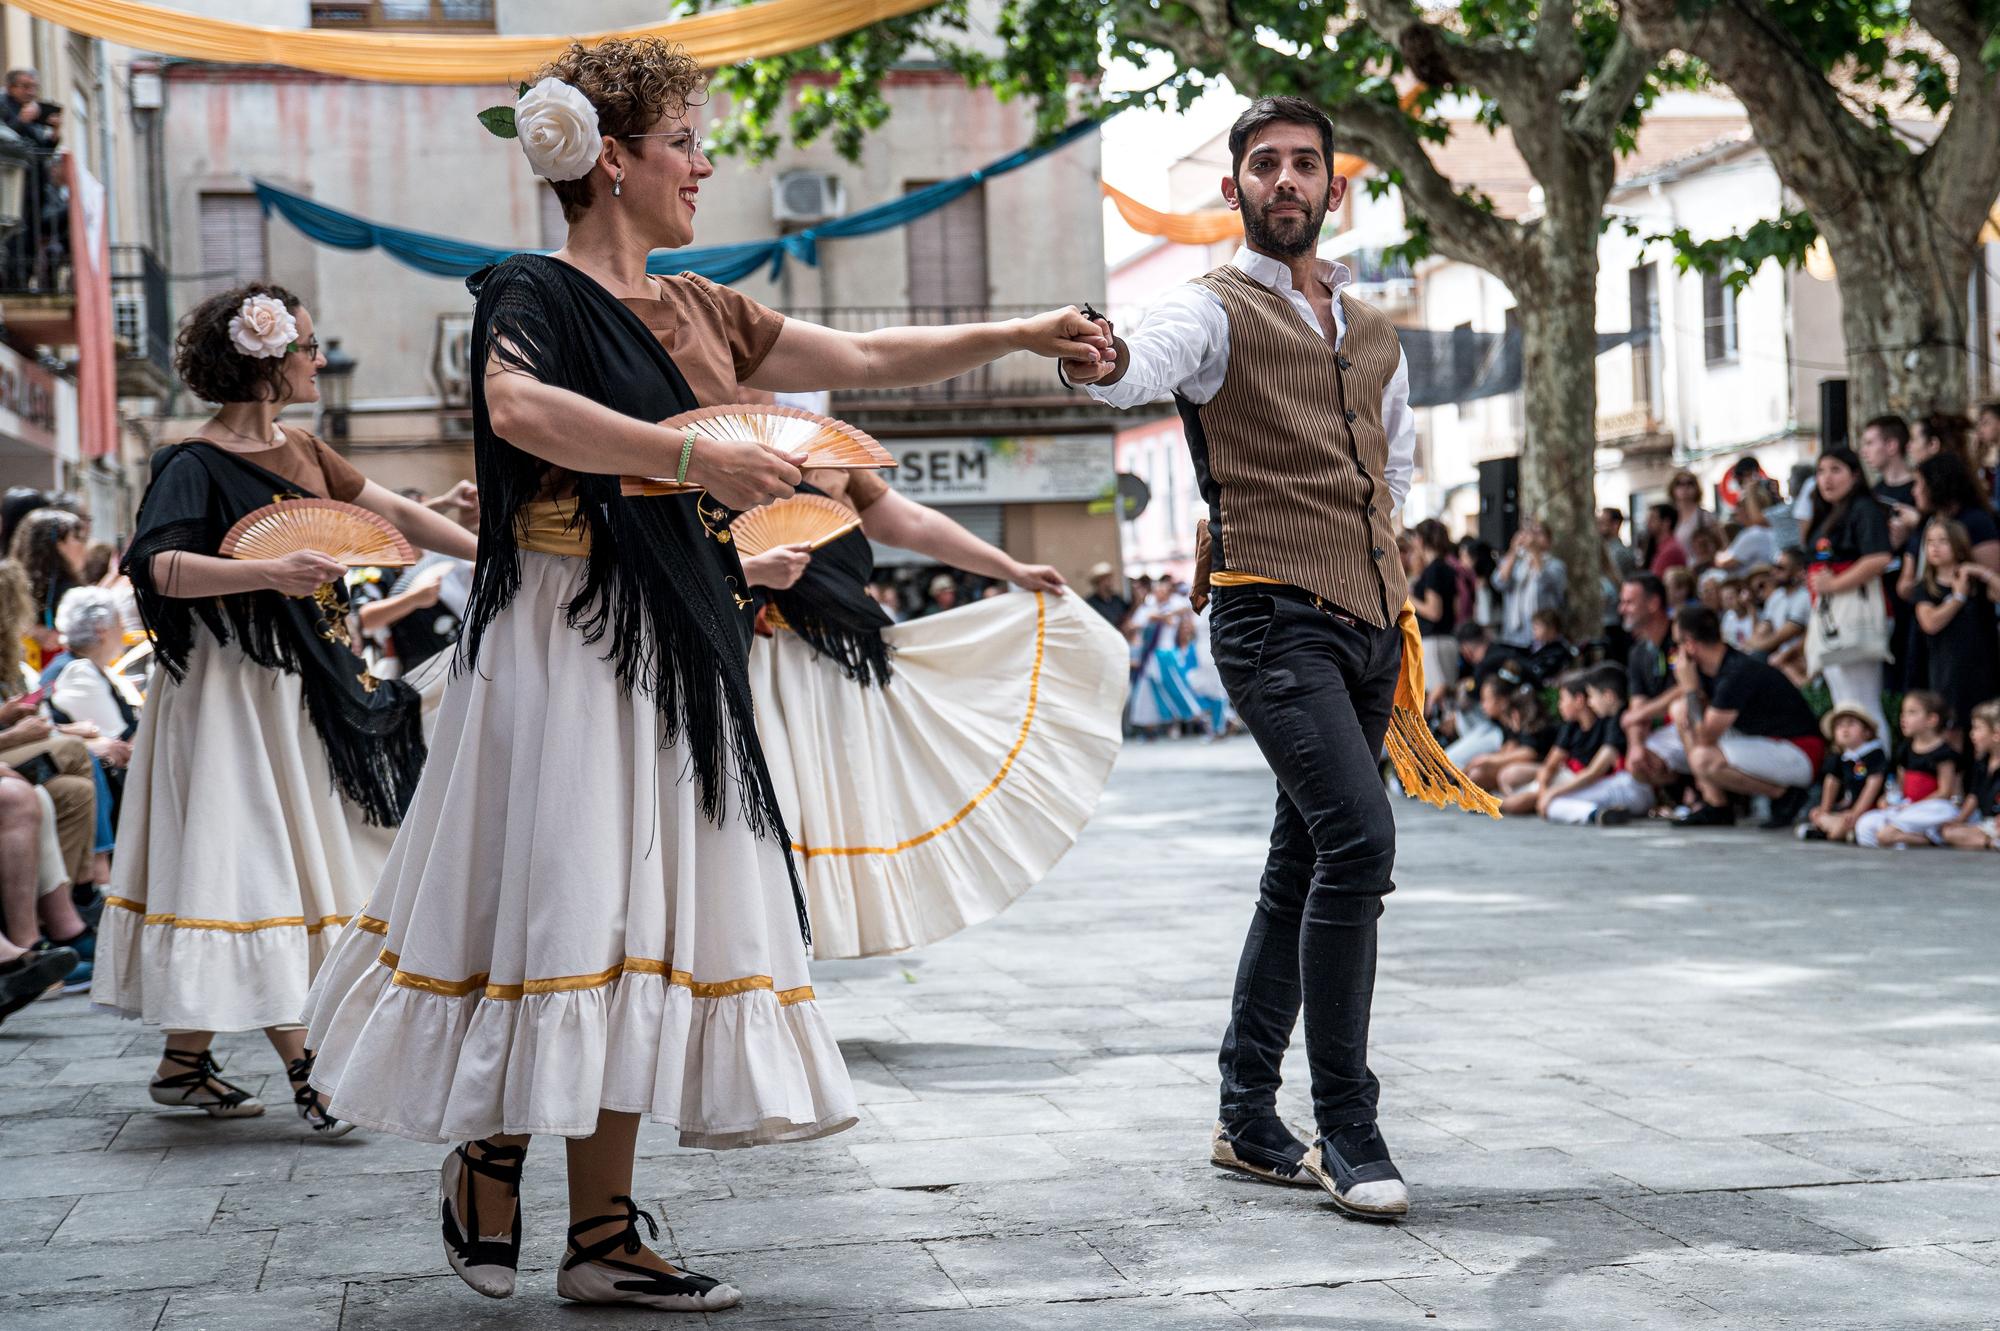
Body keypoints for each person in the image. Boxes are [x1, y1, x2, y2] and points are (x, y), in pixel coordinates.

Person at [302, 37, 1106, 1313]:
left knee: (635, 924)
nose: (706, 160)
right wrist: (694, 465)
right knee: (558, 900)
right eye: (684, 137)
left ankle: (601, 1232)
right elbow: (521, 414)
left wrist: (1022, 329)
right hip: (565, 633)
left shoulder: (705, 308)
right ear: (609, 159)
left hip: (681, 637)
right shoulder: (529, 290)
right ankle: (495, 1144)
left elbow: (861, 363)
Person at [1061, 93, 1495, 1219]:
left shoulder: (1376, 334)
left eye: (1304, 164)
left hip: (1365, 626)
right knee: (1358, 839)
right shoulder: (1205, 309)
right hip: (1267, 621)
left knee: (1300, 862)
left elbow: (1392, 472)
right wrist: (1099, 357)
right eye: (1264, 165)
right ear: (1235, 189)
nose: (1285, 181)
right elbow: (1135, 367)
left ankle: (1246, 1114)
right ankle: (1345, 1126)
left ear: (1333, 187)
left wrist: (1378, 572)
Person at [91, 281, 476, 1139]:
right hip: (231, 692)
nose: (317, 357)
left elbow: (396, 513)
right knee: (259, 857)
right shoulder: (189, 462)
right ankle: (314, 1065)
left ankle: (184, 1063)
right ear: (265, 361)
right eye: (305, 345)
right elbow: (155, 567)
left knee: (288, 856)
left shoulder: (305, 449)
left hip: (306, 683)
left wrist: (498, 551)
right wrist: (265, 571)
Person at [739, 472, 1124, 960]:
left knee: (840, 798)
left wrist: (1011, 568)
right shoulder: (714, 444)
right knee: (774, 803)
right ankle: (757, 959)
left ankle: (800, 955)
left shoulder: (835, 460)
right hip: (753, 656)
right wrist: (747, 572)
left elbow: (916, 523)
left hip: (843, 660)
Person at [1649, 605, 1823, 827]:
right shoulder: (1715, 667)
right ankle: (1716, 804)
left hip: (1801, 751)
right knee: (1680, 709)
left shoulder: (1737, 671)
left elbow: (1705, 738)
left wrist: (1691, 690)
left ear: (1690, 645)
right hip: (1769, 744)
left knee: (1703, 758)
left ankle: (1783, 795)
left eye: (1677, 644)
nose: (1676, 653)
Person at [1803, 447, 1894, 734]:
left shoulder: (1864, 509)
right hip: (1831, 615)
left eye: (1835, 470)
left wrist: (1834, 584)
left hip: (1855, 612)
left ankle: (1875, 770)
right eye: (1820, 471)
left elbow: (1878, 558)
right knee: (1844, 702)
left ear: (1855, 475)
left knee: (1861, 703)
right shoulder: (1827, 515)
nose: (1826, 479)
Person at [1911, 518, 2000, 745]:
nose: (1935, 547)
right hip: (1947, 671)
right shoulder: (1925, 587)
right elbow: (1929, 622)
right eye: (1930, 541)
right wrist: (1958, 598)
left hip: (1983, 668)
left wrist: (1983, 573)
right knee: (1952, 732)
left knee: (1985, 729)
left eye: (1943, 541)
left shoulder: (1976, 582)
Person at [1542, 666, 1653, 826]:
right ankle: (1602, 811)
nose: (1590, 703)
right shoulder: (1613, 719)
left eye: (1592, 696)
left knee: (1554, 804)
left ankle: (1595, 814)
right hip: (1631, 788)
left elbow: (1594, 771)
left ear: (1608, 696)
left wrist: (1554, 792)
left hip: (1630, 787)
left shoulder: (1619, 720)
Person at [1855, 692, 1963, 848]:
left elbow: (1945, 792)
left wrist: (1913, 806)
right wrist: (1887, 800)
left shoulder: (1944, 753)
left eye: (1912, 712)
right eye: (1903, 712)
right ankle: (1901, 837)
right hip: (1907, 807)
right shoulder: (1905, 749)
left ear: (1932, 719)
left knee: (1924, 815)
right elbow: (1900, 785)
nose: (1903, 718)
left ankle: (1921, 839)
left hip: (1933, 807)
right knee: (1865, 825)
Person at [1496, 673, 1600, 817]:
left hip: (1580, 779)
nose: (1559, 706)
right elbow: (1550, 764)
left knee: (1519, 802)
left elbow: (1595, 771)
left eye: (1563, 699)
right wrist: (1543, 789)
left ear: (1579, 700)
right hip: (1564, 774)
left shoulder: (1602, 726)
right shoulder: (1570, 726)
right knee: (1514, 780)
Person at [1801, 704, 1888, 842]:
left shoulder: (1874, 754)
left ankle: (1827, 831)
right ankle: (1838, 829)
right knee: (1816, 813)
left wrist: (1856, 812)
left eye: (1851, 724)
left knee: (1841, 827)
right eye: (1839, 726)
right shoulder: (1843, 757)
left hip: (1870, 809)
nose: (1844, 729)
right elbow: (1832, 781)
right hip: (1848, 808)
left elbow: (1873, 784)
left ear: (1867, 732)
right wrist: (1825, 809)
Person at [1407, 519, 1459, 708]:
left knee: (1439, 702)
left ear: (1420, 540)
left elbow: (1434, 611)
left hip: (1434, 642)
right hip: (1446, 639)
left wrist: (1408, 598)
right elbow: (1456, 609)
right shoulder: (1447, 568)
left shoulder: (1433, 570)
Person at [1938, 699, 2000, 850]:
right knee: (1948, 832)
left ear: (1996, 734)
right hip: (1988, 822)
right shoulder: (1982, 763)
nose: (1972, 735)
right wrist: (1959, 819)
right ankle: (1991, 843)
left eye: (1978, 729)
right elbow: (1974, 795)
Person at [1495, 518, 1567, 644]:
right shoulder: (1517, 564)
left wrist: (1535, 551)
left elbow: (1544, 580)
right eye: (1531, 533)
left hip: (1542, 634)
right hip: (1513, 634)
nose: (1533, 537)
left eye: (1539, 533)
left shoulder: (1556, 565)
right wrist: (1513, 550)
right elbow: (1500, 582)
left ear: (1549, 541)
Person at [1667, 469, 1718, 555]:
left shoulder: (1704, 516)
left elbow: (1720, 543)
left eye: (1690, 483)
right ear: (1672, 489)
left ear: (1696, 488)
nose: (1685, 487)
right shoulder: (1670, 517)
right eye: (1679, 483)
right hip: (1678, 566)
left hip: (1701, 565)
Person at [1642, 503, 1688, 576]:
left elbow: (1655, 579)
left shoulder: (1670, 550)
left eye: (1653, 518)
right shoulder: (1660, 547)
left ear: (1666, 522)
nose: (1648, 523)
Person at [1084, 560, 1131, 629]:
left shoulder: (1117, 599)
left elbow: (1127, 614)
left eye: (1110, 578)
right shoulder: (1090, 603)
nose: (1110, 582)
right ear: (1098, 582)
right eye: (1106, 579)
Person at [1599, 507, 1638, 582]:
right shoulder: (1607, 548)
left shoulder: (1620, 553)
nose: (1599, 526)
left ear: (1615, 525)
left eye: (1603, 522)